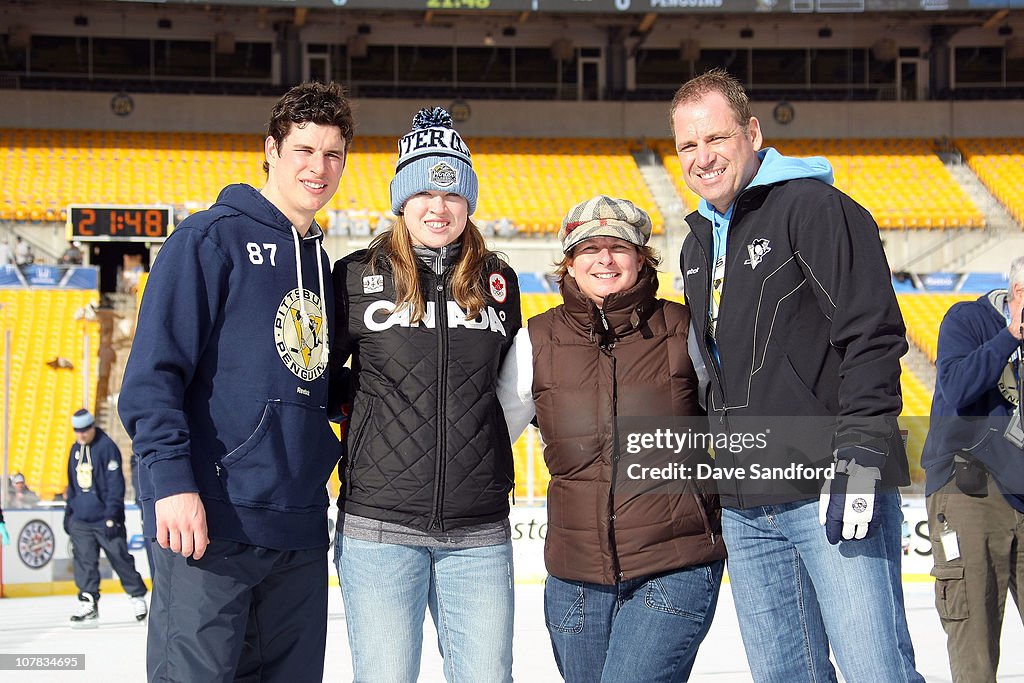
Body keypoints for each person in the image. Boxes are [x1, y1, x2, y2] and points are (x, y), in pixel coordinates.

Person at [670, 69, 922, 682]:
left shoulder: (814, 208)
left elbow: (872, 334)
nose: (702, 158)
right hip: (748, 504)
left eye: (716, 139)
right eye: (687, 146)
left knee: (876, 672)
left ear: (751, 133)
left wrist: (861, 454)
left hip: (826, 488)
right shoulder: (697, 243)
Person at [118, 81, 353, 682]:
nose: (318, 168)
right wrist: (171, 483)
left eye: (333, 154)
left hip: (297, 526)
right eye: (304, 150)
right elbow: (153, 377)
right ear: (271, 150)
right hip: (210, 521)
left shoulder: (322, 267)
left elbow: (309, 384)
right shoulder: (208, 239)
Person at [500, 195, 727, 682]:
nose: (604, 259)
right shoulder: (535, 341)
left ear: (642, 257)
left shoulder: (683, 329)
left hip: (674, 564)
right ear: (569, 263)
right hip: (575, 579)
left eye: (618, 247)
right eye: (589, 248)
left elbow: (735, 423)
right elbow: (489, 437)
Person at [331, 106, 522, 683]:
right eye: (423, 193)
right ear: (401, 200)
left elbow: (513, 383)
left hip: (478, 531)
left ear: (468, 201)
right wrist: (361, 413)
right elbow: (314, 377)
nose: (438, 208)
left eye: (452, 194)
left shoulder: (499, 282)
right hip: (380, 531)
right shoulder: (355, 276)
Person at [921, 255, 1024, 683]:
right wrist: (1012, 336)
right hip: (970, 487)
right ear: (1019, 294)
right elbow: (958, 387)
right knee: (975, 647)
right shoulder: (968, 319)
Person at [64, 409, 148, 628]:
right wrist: (69, 514)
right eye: (77, 431)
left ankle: (137, 597)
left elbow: (115, 485)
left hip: (105, 519)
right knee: (84, 562)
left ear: (92, 427)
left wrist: (112, 515)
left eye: (84, 430)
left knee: (119, 557)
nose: (80, 435)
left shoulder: (107, 447)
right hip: (81, 520)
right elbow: (71, 486)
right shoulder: (75, 449)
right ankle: (88, 603)